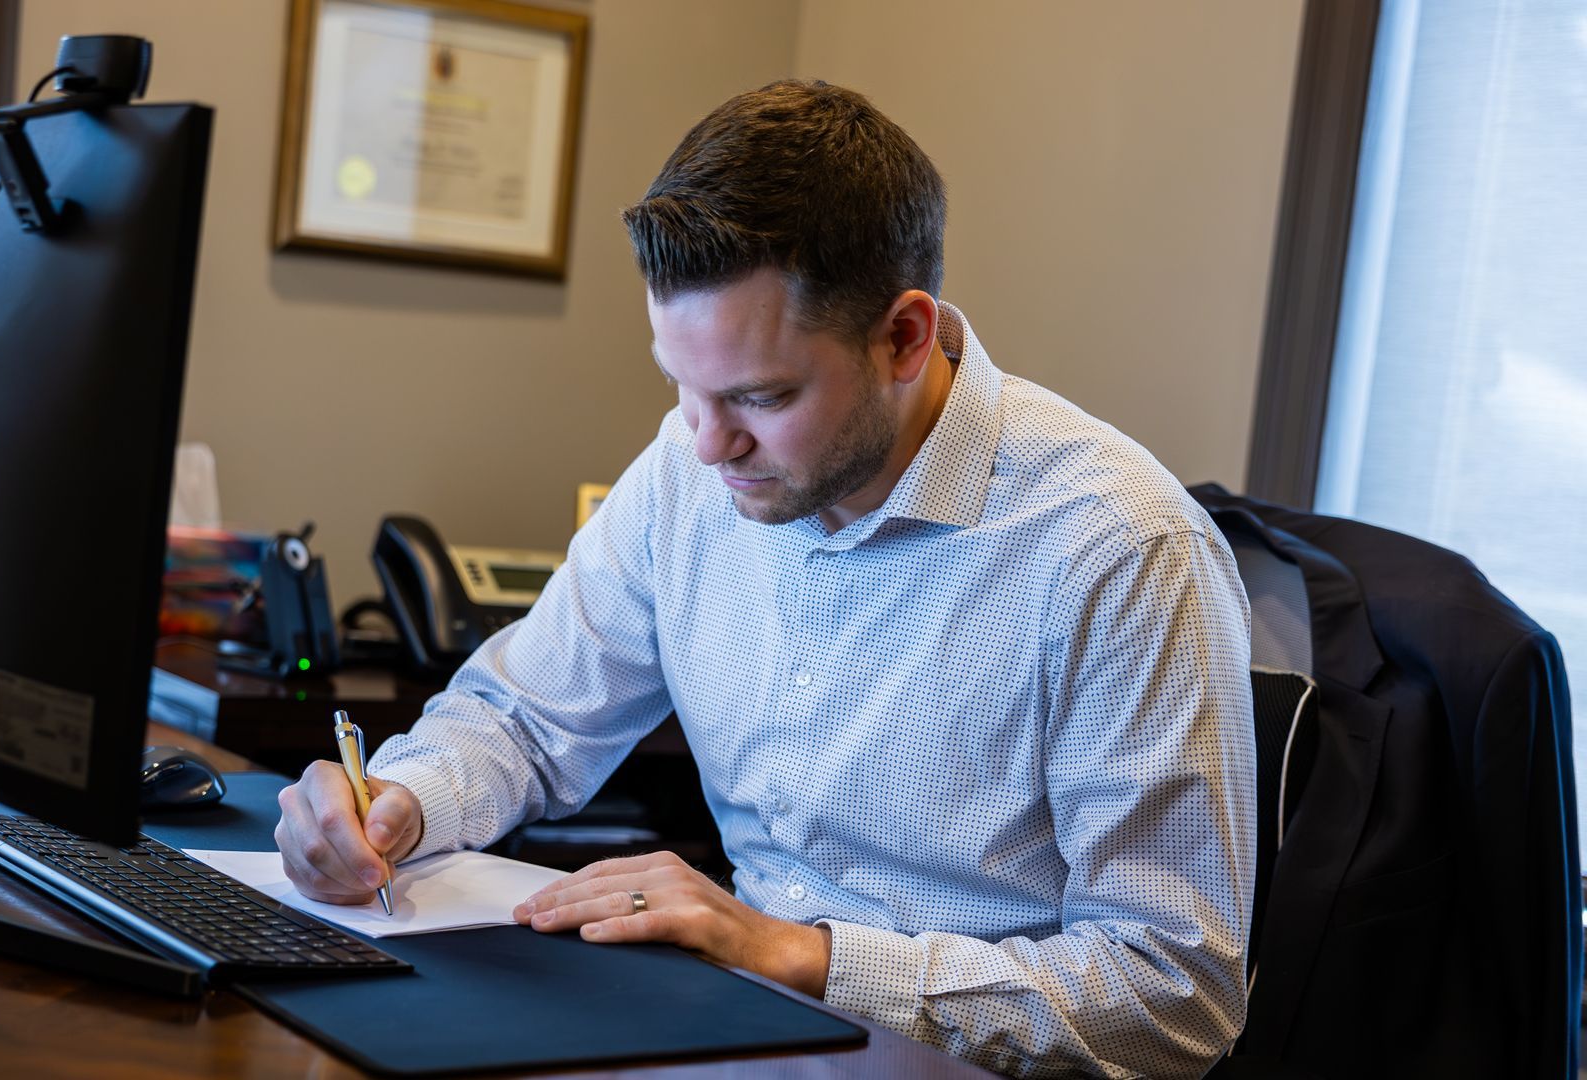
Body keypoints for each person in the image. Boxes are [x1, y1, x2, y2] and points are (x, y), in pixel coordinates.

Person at [276, 79, 1255, 1078]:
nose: (706, 444)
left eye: (760, 395)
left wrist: (801, 956)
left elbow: (1171, 995)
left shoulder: (1120, 549)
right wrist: (399, 798)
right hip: (731, 1036)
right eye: (681, 385)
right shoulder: (688, 473)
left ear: (905, 339)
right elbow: (522, 719)